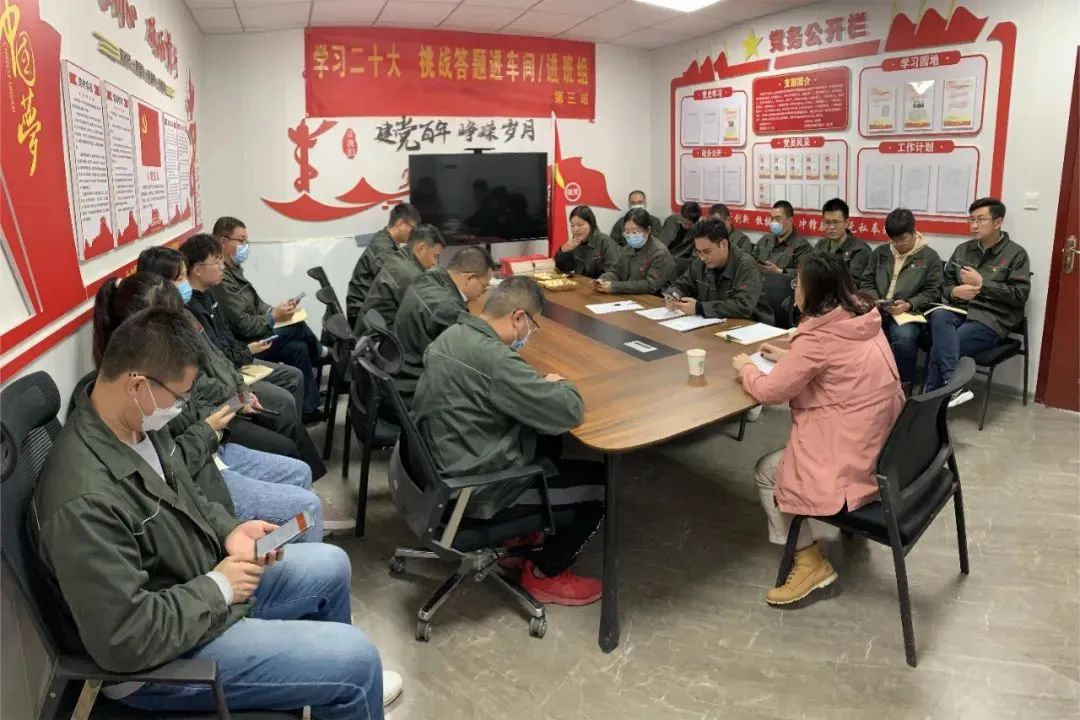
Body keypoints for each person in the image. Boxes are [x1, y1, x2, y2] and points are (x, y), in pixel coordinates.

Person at [32, 307, 400, 718]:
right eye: (180, 396)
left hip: (198, 589)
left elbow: (187, 495)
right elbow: (125, 638)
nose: (183, 406)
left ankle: (326, 690)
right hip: (159, 660)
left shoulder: (135, 423)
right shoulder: (83, 500)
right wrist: (220, 587)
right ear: (138, 385)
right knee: (356, 662)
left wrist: (229, 530)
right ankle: (341, 684)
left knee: (331, 564)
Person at [92, 272, 331, 537]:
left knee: (300, 472)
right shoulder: (140, 394)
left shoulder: (160, 367)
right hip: (203, 466)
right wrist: (209, 427)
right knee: (307, 506)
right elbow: (172, 475)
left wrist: (231, 403)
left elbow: (201, 390)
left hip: (210, 452)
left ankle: (292, 544)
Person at [412, 277, 604, 606]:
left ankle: (520, 539)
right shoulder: (495, 360)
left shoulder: (453, 335)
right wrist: (561, 385)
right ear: (518, 317)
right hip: (475, 491)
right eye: (532, 326)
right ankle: (547, 574)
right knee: (601, 484)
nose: (530, 334)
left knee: (547, 442)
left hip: (440, 471)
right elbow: (567, 411)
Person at [733, 254, 904, 606]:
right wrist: (791, 358)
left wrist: (746, 367)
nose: (794, 288)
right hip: (886, 449)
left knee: (768, 472)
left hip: (853, 459)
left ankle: (809, 560)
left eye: (798, 282)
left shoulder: (817, 338)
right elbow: (840, 366)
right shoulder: (864, 318)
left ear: (815, 290)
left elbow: (769, 392)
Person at [136, 247, 329, 482]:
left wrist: (242, 391)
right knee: (285, 438)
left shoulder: (186, 315)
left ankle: (309, 485)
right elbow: (198, 388)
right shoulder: (161, 337)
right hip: (215, 415)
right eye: (180, 278)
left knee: (289, 422)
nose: (186, 284)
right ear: (159, 285)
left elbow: (220, 359)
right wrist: (236, 399)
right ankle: (302, 487)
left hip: (230, 397)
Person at [211, 216, 324, 424]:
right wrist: (273, 317)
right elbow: (243, 326)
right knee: (297, 327)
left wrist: (277, 310)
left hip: (258, 331)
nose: (246, 246)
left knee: (298, 348)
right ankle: (321, 353)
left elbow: (257, 304)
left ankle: (308, 409)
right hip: (248, 343)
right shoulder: (221, 279)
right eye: (241, 240)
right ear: (224, 242)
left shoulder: (234, 269)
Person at [926, 197, 1031, 406]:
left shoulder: (1016, 254)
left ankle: (927, 405)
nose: (974, 225)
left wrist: (982, 284)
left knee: (945, 345)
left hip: (990, 319)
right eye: (971, 220)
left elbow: (1019, 295)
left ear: (998, 222)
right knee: (938, 315)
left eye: (980, 220)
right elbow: (945, 284)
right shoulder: (963, 249)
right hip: (959, 311)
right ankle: (951, 387)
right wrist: (955, 291)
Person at [393, 245, 495, 405]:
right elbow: (470, 360)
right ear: (469, 278)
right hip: (415, 389)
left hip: (401, 371)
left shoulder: (428, 277)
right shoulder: (446, 308)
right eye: (484, 286)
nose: (483, 292)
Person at [859, 209, 944, 395]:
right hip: (879, 309)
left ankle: (903, 388)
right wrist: (874, 300)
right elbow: (866, 282)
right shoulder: (881, 253)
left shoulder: (930, 257)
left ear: (914, 232)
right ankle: (863, 383)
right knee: (852, 327)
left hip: (909, 314)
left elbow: (934, 292)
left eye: (903, 239)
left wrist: (909, 304)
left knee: (904, 338)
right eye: (893, 239)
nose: (898, 244)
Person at [662, 218, 773, 323]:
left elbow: (743, 306)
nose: (702, 257)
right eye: (698, 252)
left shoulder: (746, 265)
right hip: (715, 322)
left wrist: (699, 308)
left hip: (750, 325)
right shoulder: (700, 262)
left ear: (723, 244)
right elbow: (682, 284)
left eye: (707, 251)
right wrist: (674, 295)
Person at [356, 223, 446, 334]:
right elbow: (430, 312)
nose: (435, 262)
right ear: (421, 248)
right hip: (379, 339)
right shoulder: (409, 275)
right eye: (435, 256)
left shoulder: (399, 260)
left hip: (371, 333)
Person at [347, 203, 421, 328]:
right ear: (401, 224)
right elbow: (396, 283)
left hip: (365, 308)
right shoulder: (383, 250)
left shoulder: (384, 240)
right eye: (412, 229)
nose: (414, 234)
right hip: (362, 315)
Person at [595, 208, 675, 295]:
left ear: (648, 230)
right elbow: (616, 271)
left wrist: (615, 287)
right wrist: (603, 279)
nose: (631, 236)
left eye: (635, 232)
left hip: (653, 298)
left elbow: (650, 285)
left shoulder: (659, 252)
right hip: (629, 295)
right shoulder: (628, 247)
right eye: (627, 232)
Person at [553, 205, 619, 278]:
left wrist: (598, 282)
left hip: (598, 283)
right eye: (572, 225)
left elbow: (614, 272)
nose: (575, 229)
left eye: (580, 225)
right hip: (581, 283)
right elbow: (561, 269)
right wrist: (562, 251)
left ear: (591, 224)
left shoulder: (605, 242)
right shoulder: (574, 243)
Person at [816, 198, 871, 282]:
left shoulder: (860, 250)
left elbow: (853, 283)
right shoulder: (821, 245)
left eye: (836, 222)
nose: (831, 227)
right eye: (827, 222)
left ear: (846, 223)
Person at [754, 200, 812, 274]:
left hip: (782, 281)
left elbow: (804, 273)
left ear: (790, 220)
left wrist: (779, 271)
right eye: (772, 219)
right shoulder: (765, 239)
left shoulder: (801, 246)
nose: (774, 222)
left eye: (778, 219)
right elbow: (752, 259)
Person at [657, 201, 702, 275]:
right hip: (662, 259)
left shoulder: (699, 231)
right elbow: (660, 242)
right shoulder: (671, 220)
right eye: (685, 223)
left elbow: (694, 257)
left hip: (679, 264)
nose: (687, 226)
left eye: (690, 225)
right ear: (681, 216)